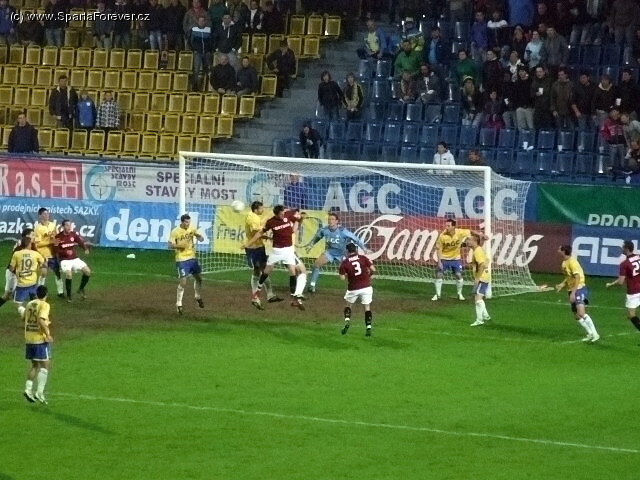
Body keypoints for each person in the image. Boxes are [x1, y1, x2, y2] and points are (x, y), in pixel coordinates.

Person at [243, 205, 307, 310]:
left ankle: (294, 300)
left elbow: (296, 221)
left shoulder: (287, 215)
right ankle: (256, 296)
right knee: (266, 272)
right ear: (276, 214)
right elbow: (259, 233)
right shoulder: (271, 222)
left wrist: (300, 218)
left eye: (283, 213)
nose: (283, 215)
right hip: (277, 251)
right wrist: (248, 243)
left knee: (292, 272)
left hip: (288, 250)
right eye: (281, 214)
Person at [306, 212, 367, 293]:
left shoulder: (343, 231)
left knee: (350, 271)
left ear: (337, 221)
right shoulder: (324, 230)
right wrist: (310, 245)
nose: (330, 221)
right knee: (316, 264)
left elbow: (355, 239)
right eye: (329, 219)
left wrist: (364, 248)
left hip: (342, 254)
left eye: (332, 219)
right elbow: (317, 237)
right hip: (330, 252)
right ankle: (312, 285)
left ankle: (357, 288)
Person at [555, 245, 600, 343]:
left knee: (581, 313)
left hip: (579, 288)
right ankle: (590, 334)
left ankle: (595, 334)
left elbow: (577, 277)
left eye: (559, 249)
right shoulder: (564, 263)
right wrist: (562, 284)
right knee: (576, 315)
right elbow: (569, 277)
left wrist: (573, 293)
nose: (557, 250)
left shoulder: (572, 262)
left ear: (563, 251)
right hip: (571, 289)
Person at [432, 219, 486, 301]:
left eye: (448, 226)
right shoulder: (442, 235)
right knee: (439, 274)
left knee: (458, 275)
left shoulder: (460, 232)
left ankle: (459, 294)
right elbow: (439, 249)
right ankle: (437, 295)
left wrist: (480, 234)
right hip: (444, 258)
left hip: (456, 258)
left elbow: (470, 231)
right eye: (446, 225)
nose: (446, 227)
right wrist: (439, 262)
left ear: (454, 226)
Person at [244, 200, 283, 310]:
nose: (263, 210)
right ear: (256, 209)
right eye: (261, 208)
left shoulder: (255, 216)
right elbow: (255, 231)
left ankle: (270, 295)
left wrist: (266, 236)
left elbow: (258, 232)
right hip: (253, 248)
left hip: (259, 247)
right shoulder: (252, 217)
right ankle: (255, 298)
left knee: (264, 269)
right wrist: (265, 231)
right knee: (257, 270)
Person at [168, 214, 205, 315]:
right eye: (186, 222)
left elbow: (200, 238)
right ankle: (179, 303)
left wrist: (199, 237)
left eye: (189, 222)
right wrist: (179, 246)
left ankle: (197, 296)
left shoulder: (192, 228)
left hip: (192, 258)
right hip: (182, 259)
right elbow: (169, 245)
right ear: (182, 222)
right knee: (183, 282)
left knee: (199, 279)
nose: (188, 224)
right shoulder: (175, 231)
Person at [22, 285, 52, 404]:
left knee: (34, 365)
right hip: (39, 339)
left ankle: (28, 389)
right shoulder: (45, 305)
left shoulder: (30, 304)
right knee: (45, 366)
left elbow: (24, 318)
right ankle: (40, 392)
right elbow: (40, 319)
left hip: (29, 338)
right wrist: (47, 333)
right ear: (46, 294)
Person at [339, 243, 376, 337]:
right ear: (356, 250)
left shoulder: (345, 262)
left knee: (348, 305)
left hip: (353, 288)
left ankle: (347, 321)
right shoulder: (363, 258)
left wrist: (347, 274)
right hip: (366, 287)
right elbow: (373, 269)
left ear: (347, 251)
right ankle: (368, 327)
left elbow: (342, 278)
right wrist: (369, 276)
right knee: (367, 307)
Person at [606, 240, 640, 332]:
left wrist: (611, 285)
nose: (621, 249)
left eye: (623, 247)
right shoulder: (638, 257)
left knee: (631, 315)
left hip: (633, 292)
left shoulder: (624, 264)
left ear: (627, 249)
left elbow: (620, 282)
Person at [54, 219, 91, 303]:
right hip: (64, 260)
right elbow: (56, 250)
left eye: (70, 225)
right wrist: (65, 252)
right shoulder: (57, 237)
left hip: (74, 258)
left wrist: (85, 249)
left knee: (87, 271)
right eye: (67, 225)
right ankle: (69, 295)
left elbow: (80, 242)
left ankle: (81, 289)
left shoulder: (73, 234)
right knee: (68, 274)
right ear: (63, 226)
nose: (69, 227)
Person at [0, 229, 36, 309]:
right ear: (27, 236)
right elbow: (12, 265)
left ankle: (35, 311)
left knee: (31, 289)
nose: (34, 236)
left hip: (23, 273)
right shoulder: (20, 246)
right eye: (32, 235)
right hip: (13, 273)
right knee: (7, 295)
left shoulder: (31, 244)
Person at [10, 236, 45, 312]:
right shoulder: (35, 253)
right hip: (33, 282)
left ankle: (24, 313)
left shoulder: (16, 254)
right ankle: (36, 313)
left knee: (18, 305)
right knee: (35, 300)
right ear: (29, 244)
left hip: (21, 284)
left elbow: (11, 268)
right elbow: (43, 264)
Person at [34, 207, 64, 298]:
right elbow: (37, 244)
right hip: (43, 254)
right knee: (44, 273)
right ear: (40, 216)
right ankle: (39, 292)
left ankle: (60, 292)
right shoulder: (37, 228)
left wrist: (56, 241)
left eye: (47, 213)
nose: (47, 215)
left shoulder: (52, 225)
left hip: (52, 253)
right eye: (44, 214)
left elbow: (55, 237)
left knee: (57, 272)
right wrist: (50, 242)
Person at [468, 233, 492, 326]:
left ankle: (479, 320)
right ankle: (486, 316)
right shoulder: (478, 249)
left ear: (474, 242)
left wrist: (477, 278)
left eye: (469, 240)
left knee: (477, 299)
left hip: (482, 277)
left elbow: (481, 264)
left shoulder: (477, 251)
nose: (468, 241)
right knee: (479, 297)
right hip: (484, 276)